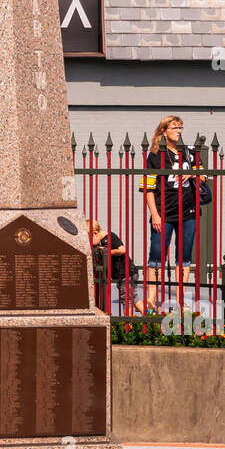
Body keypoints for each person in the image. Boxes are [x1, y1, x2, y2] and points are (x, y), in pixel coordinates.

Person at [141, 115, 203, 312]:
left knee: (184, 256)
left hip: (188, 211)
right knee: (157, 255)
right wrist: (155, 214)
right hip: (163, 213)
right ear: (163, 131)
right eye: (174, 127)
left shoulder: (189, 153)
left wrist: (191, 173)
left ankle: (180, 302)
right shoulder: (154, 156)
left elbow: (203, 176)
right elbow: (148, 189)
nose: (179, 130)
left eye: (180, 127)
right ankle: (151, 301)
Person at [89, 219, 144, 313]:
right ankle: (150, 315)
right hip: (124, 273)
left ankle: (129, 324)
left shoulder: (110, 236)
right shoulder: (102, 241)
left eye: (89, 238)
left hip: (126, 273)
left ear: (95, 233)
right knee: (133, 297)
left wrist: (107, 252)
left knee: (126, 299)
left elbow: (122, 250)